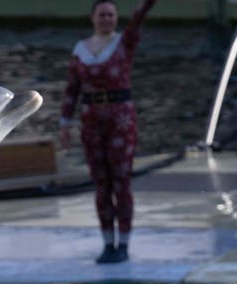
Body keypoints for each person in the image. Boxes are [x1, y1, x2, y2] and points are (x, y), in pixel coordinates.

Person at [59, 0, 158, 265]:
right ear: (92, 18)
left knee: (121, 180)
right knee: (101, 183)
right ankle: (107, 244)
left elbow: (139, 16)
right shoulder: (81, 49)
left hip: (120, 118)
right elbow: (72, 89)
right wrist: (64, 123)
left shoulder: (124, 43)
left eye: (111, 15)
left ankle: (124, 243)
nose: (106, 19)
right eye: (102, 15)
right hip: (91, 119)